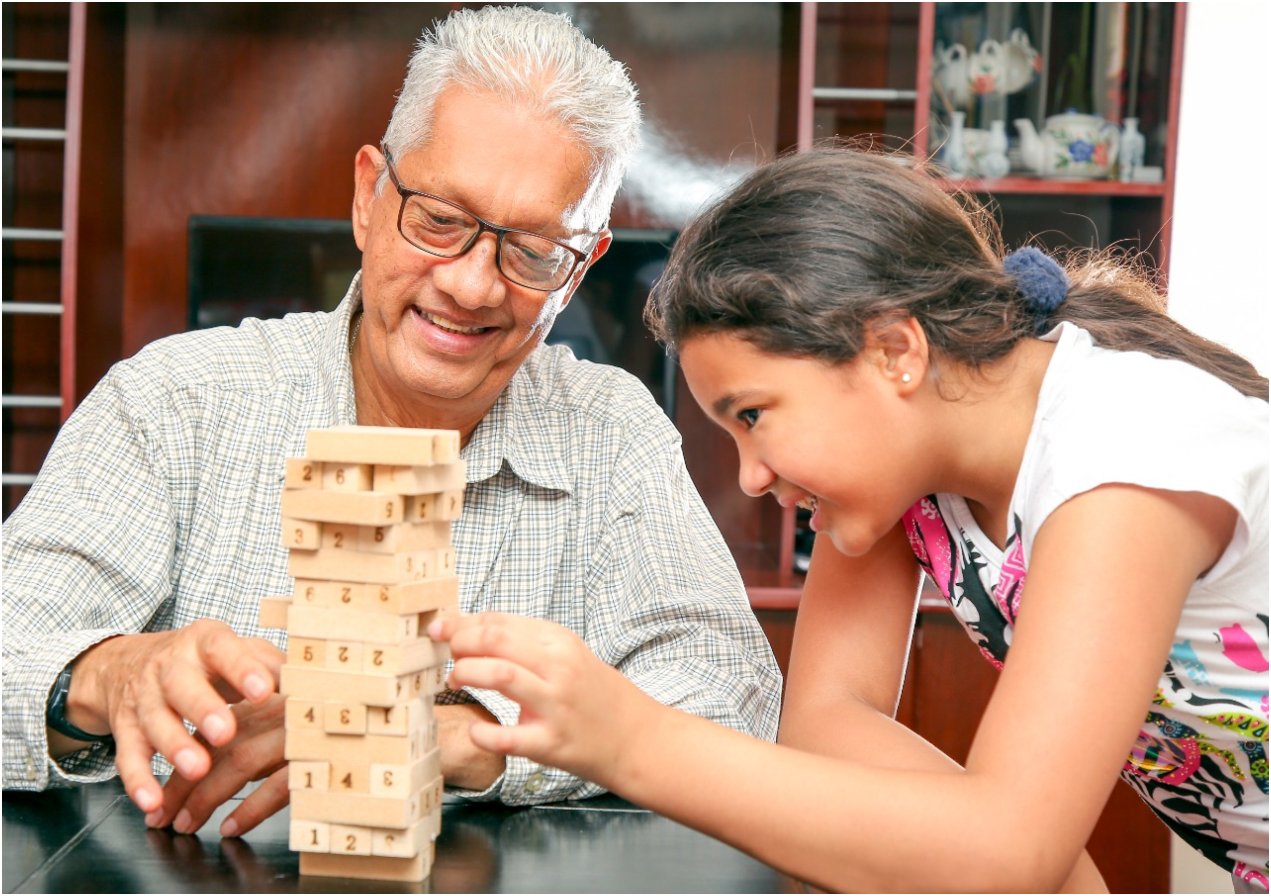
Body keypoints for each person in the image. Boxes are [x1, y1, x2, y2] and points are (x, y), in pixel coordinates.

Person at [1, 5, 782, 838]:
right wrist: (100, 675)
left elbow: (731, 701)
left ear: (582, 266)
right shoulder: (176, 400)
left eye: (533, 252)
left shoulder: (612, 431)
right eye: (439, 221)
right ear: (368, 194)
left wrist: (477, 739)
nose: (473, 286)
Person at [431, 145, 1269, 893]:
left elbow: (1004, 851)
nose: (751, 477)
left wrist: (632, 742)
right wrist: (1014, 855)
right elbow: (826, 723)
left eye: (753, 415)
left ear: (894, 352)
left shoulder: (1122, 456)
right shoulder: (907, 466)